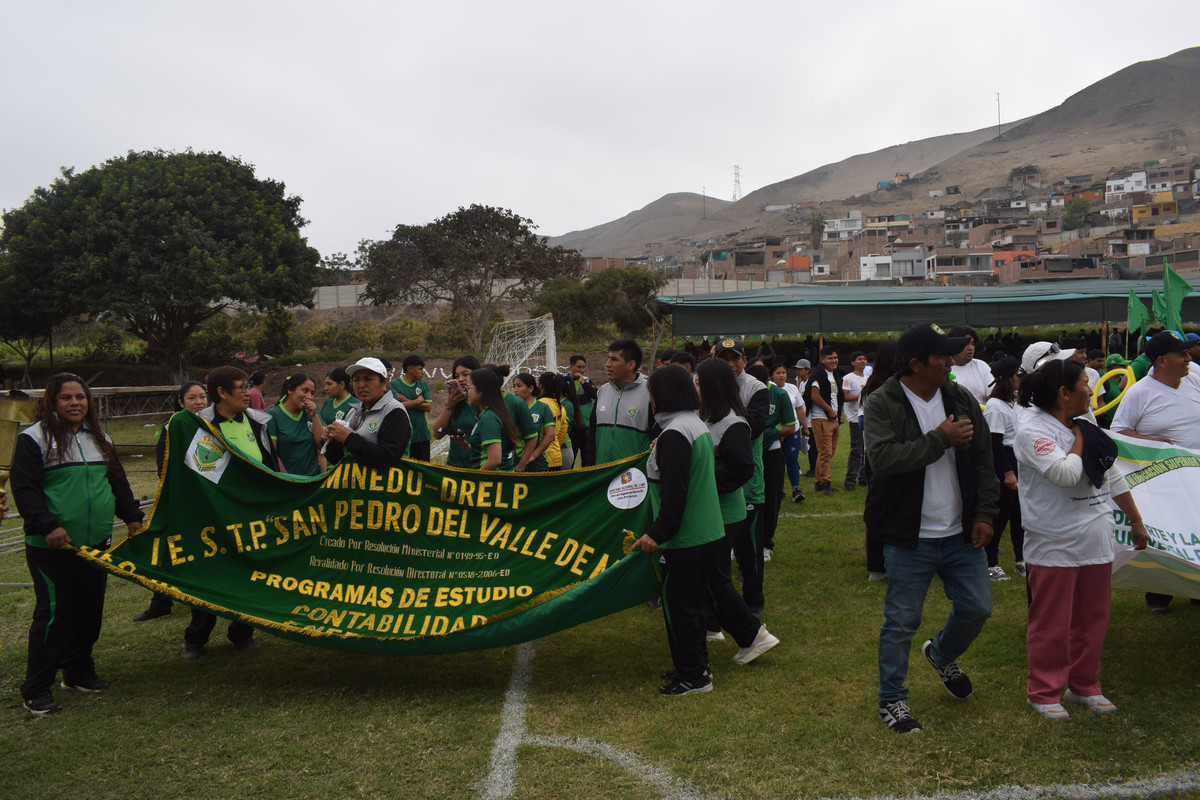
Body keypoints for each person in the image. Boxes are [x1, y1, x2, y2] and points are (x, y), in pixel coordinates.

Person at [864, 323, 1000, 734]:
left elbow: (983, 458)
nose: (951, 361)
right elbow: (883, 459)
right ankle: (892, 699)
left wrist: (985, 513)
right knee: (901, 621)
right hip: (910, 536)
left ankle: (941, 654)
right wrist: (939, 438)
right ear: (916, 364)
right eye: (942, 356)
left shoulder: (959, 397)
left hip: (960, 533)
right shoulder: (883, 401)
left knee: (977, 608)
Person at [631, 365, 779, 696]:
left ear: (662, 395)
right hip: (703, 530)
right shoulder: (692, 424)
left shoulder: (676, 433)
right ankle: (696, 667)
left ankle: (694, 676)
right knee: (693, 602)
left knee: (680, 604)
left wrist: (657, 533)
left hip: (688, 535)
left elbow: (676, 493)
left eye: (651, 393)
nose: (649, 400)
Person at [1016, 357, 1149, 719]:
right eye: (1085, 384)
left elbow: (1112, 474)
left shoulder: (1085, 423)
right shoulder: (1032, 430)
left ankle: (1085, 686)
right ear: (1064, 393)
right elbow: (1064, 474)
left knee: (1093, 621)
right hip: (1053, 541)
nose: (1092, 390)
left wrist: (1136, 520)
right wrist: (1079, 440)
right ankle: (1044, 692)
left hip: (1096, 538)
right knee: (1052, 624)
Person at [12, 374, 145, 716]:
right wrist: (48, 525)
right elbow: (25, 490)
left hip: (96, 543)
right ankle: (36, 688)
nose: (75, 403)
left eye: (80, 397)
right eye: (66, 397)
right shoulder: (33, 438)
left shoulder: (100, 437)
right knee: (54, 614)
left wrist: (132, 516)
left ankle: (78, 672)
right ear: (51, 402)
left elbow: (117, 481)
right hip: (52, 546)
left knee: (89, 609)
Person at [185, 366, 276, 659]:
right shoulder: (200, 426)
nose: (248, 392)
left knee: (250, 572)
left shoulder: (257, 423)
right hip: (212, 515)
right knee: (210, 574)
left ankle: (242, 632)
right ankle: (196, 637)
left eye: (248, 386)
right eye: (241, 387)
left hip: (251, 515)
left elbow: (269, 466)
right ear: (222, 393)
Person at [1111, 331, 1200, 614]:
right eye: (1181, 354)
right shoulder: (1140, 392)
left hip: (1196, 474)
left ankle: (1196, 587)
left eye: (1188, 353)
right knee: (1169, 532)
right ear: (1161, 361)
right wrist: (1152, 442)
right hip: (1163, 478)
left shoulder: (1195, 378)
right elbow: (1118, 431)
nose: (1188, 358)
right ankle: (1159, 594)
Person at [135, 380, 207, 622]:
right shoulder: (171, 428)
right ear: (181, 403)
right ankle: (161, 601)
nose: (199, 402)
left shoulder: (212, 426)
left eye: (202, 397)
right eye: (192, 398)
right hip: (180, 502)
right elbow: (162, 468)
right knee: (169, 548)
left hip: (210, 502)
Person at [715, 338, 769, 615]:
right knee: (716, 549)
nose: (730, 364)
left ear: (744, 361)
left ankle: (754, 601)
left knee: (749, 548)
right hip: (713, 480)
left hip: (746, 481)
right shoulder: (704, 385)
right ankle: (719, 603)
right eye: (723, 359)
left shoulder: (757, 388)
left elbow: (756, 426)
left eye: (734, 358)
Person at [324, 357, 412, 471]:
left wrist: (348, 438)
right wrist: (330, 441)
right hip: (356, 481)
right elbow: (340, 458)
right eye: (356, 380)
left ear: (384, 382)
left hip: (384, 482)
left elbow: (387, 458)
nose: (361, 385)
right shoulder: (354, 411)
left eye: (368, 379)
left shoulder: (394, 411)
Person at [982, 357, 1025, 581]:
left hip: (1017, 459)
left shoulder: (1014, 402)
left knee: (1019, 516)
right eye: (1016, 375)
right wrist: (1007, 473)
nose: (1019, 379)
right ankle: (990, 563)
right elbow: (994, 443)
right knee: (1001, 516)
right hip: (1004, 462)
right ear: (1008, 379)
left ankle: (1021, 560)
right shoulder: (995, 407)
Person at [749, 363, 795, 562]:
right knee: (745, 500)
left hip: (771, 454)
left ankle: (766, 544)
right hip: (747, 454)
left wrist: (769, 433)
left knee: (771, 500)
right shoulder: (741, 391)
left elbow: (790, 426)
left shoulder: (780, 395)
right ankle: (740, 543)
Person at [860, 340, 898, 582]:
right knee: (882, 507)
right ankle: (877, 564)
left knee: (877, 507)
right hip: (885, 455)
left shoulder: (873, 385)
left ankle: (877, 563)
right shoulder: (886, 388)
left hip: (874, 454)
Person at [585, 339, 654, 466]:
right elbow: (593, 433)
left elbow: (656, 438)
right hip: (603, 472)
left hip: (634, 475)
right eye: (608, 358)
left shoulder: (650, 392)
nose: (607, 364)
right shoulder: (603, 391)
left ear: (631, 365)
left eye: (614, 359)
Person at [463, 368, 522, 471]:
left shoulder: (489, 417)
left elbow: (495, 460)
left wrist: (475, 477)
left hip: (493, 478)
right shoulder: (488, 414)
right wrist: (463, 443)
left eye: (468, 387)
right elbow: (482, 450)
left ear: (482, 390)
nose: (466, 392)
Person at [267, 373, 324, 477]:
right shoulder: (272, 416)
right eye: (305, 391)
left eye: (312, 393)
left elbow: (322, 445)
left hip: (313, 479)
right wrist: (288, 480)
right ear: (290, 389)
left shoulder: (313, 413)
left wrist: (314, 416)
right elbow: (272, 454)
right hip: (288, 480)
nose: (309, 397)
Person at [805, 345, 844, 497]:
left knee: (829, 452)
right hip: (821, 417)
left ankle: (820, 482)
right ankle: (825, 483)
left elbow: (838, 396)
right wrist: (829, 410)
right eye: (830, 358)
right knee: (825, 452)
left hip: (834, 419)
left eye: (835, 357)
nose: (834, 361)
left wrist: (839, 413)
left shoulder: (835, 375)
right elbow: (814, 395)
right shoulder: (818, 375)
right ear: (822, 359)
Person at [431, 355, 480, 470]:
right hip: (454, 468)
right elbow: (437, 433)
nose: (460, 379)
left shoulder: (483, 404)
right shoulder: (455, 404)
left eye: (465, 374)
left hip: (478, 468)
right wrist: (449, 404)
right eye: (456, 376)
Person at [390, 355, 433, 461]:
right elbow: (396, 407)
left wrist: (405, 400)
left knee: (422, 468)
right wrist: (417, 401)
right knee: (404, 468)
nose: (423, 372)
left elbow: (428, 407)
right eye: (420, 369)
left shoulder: (423, 384)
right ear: (410, 369)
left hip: (422, 435)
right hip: (402, 435)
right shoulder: (394, 385)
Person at [774, 361, 806, 503]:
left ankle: (796, 490)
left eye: (783, 372)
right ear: (771, 376)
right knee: (777, 462)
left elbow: (799, 408)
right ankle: (778, 490)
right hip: (777, 431)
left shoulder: (792, 388)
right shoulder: (770, 389)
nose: (781, 375)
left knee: (792, 459)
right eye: (778, 373)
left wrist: (805, 428)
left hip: (793, 429)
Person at [511, 373, 552, 472]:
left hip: (538, 464)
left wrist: (533, 455)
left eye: (519, 386)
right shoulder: (511, 408)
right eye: (514, 386)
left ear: (530, 388)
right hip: (514, 463)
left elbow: (550, 435)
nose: (515, 390)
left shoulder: (543, 407)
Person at [842, 350, 868, 491]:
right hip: (854, 418)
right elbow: (844, 397)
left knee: (867, 449)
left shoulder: (868, 378)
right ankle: (850, 481)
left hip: (867, 417)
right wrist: (860, 396)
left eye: (864, 359)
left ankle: (863, 477)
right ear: (853, 363)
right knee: (856, 450)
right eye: (859, 359)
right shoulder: (848, 378)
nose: (863, 361)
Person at [948, 326, 992, 405]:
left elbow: (993, 397)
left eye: (973, 344)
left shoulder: (982, 366)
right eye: (966, 344)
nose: (971, 348)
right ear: (954, 344)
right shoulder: (943, 369)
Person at [537, 372, 569, 471]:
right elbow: (562, 433)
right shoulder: (561, 407)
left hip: (542, 458)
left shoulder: (539, 405)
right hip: (556, 457)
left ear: (540, 385)